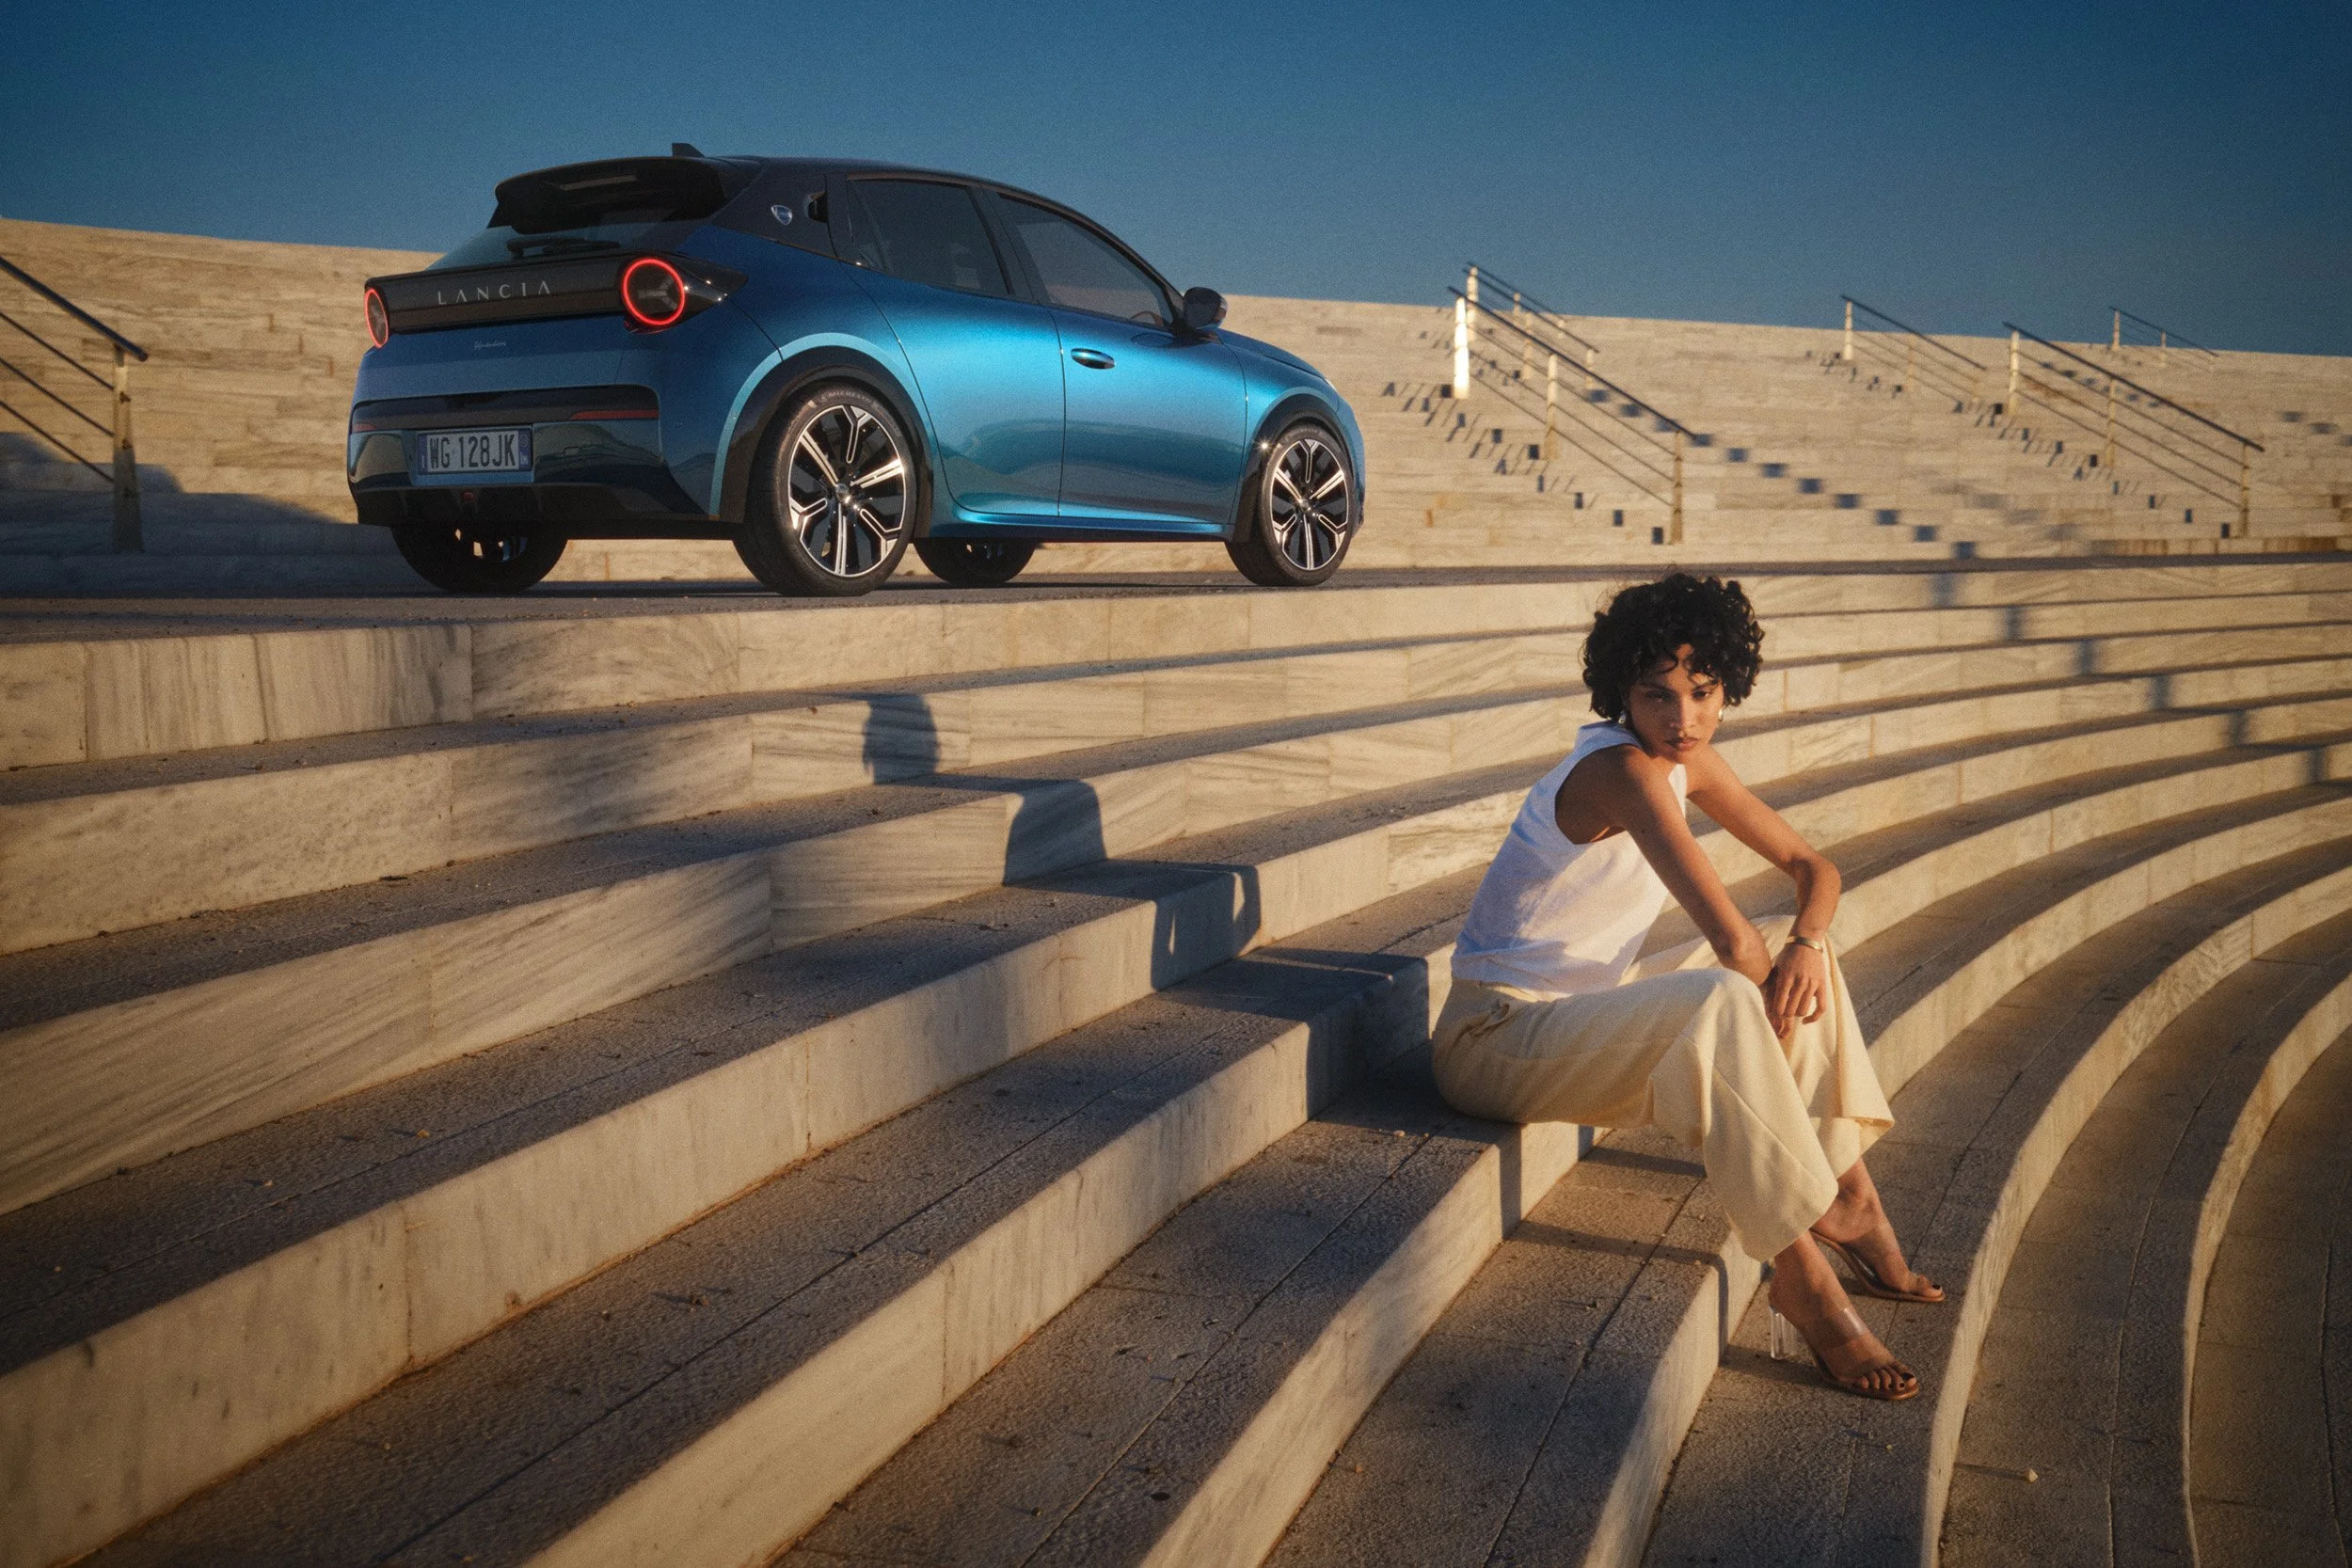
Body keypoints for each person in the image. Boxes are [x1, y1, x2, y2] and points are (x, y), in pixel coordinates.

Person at [1434, 572, 1941, 1400]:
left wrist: (1809, 941)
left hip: (1569, 1026)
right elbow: (1733, 941)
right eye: (1656, 695)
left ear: (1725, 685)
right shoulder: (1622, 772)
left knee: (1806, 967)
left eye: (1701, 692)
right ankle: (1801, 1274)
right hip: (1491, 1040)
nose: (1683, 719)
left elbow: (1817, 869)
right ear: (1620, 694)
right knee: (1734, 992)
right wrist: (1771, 1007)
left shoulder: (1688, 763)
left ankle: (1848, 1193)